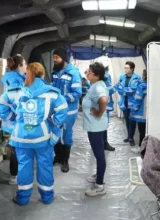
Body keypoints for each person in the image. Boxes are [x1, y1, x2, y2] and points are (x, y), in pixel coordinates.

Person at [0, 62, 68, 206]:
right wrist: (53, 122)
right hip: (43, 137)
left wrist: (13, 118)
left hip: (21, 137)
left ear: (27, 74)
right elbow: (63, 109)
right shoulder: (52, 92)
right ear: (42, 75)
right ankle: (47, 197)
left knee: (23, 166)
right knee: (45, 165)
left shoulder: (15, 91)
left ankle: (23, 198)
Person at [51, 48, 82, 173]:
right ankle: (58, 156)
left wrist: (61, 99)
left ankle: (65, 160)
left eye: (57, 57)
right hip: (56, 111)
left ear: (63, 58)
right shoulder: (55, 72)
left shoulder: (73, 73)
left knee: (67, 135)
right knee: (55, 134)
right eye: (54, 58)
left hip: (69, 112)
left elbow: (77, 93)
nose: (55, 60)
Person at [0, 55, 27, 185]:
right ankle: (14, 176)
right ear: (19, 66)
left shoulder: (15, 78)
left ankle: (17, 174)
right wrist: (14, 117)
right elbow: (15, 102)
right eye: (25, 64)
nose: (26, 66)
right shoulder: (14, 81)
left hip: (13, 120)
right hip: (14, 121)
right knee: (16, 148)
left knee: (17, 148)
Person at [82, 62, 109, 196]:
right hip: (95, 126)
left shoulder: (98, 87)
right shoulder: (96, 85)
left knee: (99, 156)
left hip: (96, 126)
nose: (87, 73)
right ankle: (98, 174)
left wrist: (99, 113)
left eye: (90, 72)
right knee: (98, 154)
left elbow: (103, 100)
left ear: (97, 76)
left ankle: (99, 185)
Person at [115, 61, 141, 146]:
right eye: (125, 68)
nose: (125, 69)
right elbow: (119, 88)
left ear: (132, 69)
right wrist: (125, 90)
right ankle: (129, 136)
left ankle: (131, 138)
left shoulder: (137, 78)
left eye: (127, 68)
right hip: (124, 102)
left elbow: (134, 89)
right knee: (127, 120)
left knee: (132, 120)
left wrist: (124, 90)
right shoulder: (122, 77)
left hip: (132, 103)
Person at [129, 69, 148, 151]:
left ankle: (141, 148)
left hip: (141, 112)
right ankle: (147, 148)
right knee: (147, 131)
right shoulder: (153, 85)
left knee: (142, 131)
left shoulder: (142, 86)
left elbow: (138, 99)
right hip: (149, 112)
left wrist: (134, 109)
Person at [103, 66, 116, 151]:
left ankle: (102, 143)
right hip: (104, 105)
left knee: (102, 124)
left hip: (103, 104)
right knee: (103, 125)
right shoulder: (105, 77)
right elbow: (110, 90)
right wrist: (116, 87)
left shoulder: (103, 77)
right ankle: (104, 143)